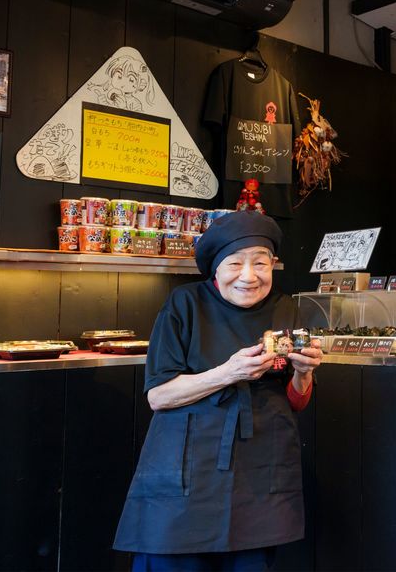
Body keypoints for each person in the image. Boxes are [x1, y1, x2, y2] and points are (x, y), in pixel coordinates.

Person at [114, 211, 322, 570]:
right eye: (235, 264)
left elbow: (296, 400)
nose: (249, 276)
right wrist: (227, 372)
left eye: (261, 263)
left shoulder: (286, 308)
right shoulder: (185, 304)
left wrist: (303, 374)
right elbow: (158, 396)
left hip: (261, 470)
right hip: (189, 468)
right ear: (215, 268)